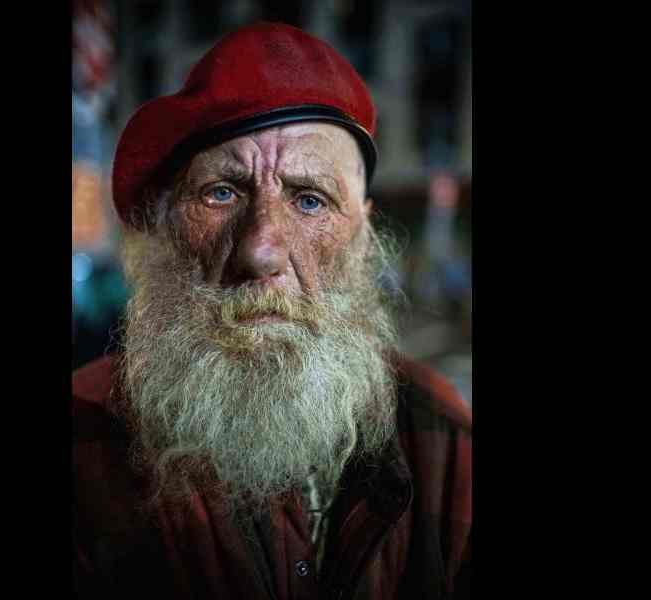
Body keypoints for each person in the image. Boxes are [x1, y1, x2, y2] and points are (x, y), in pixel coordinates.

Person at [73, 22, 472, 599]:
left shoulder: (442, 437)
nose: (261, 249)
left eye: (310, 200)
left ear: (362, 234)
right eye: (222, 193)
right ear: (167, 228)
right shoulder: (82, 439)